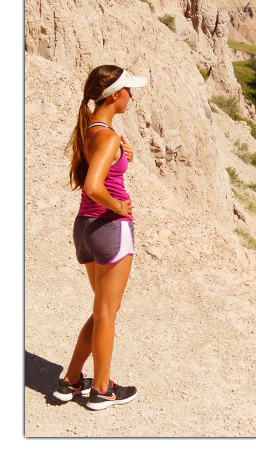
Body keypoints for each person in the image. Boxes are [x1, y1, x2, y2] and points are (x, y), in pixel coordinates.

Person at [55, 65, 147, 410]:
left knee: (101, 310)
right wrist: (119, 208)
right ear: (114, 96)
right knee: (107, 312)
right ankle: (103, 390)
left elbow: (96, 173)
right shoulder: (108, 136)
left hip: (85, 228)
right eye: (128, 91)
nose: (131, 96)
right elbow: (94, 186)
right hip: (109, 227)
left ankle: (73, 379)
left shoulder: (91, 131)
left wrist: (125, 158)